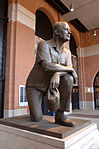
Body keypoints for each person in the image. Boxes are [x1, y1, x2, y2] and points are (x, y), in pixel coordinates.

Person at [26, 21, 77, 127]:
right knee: (37, 118)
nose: (69, 32)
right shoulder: (44, 45)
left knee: (68, 79)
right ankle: (34, 111)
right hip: (36, 85)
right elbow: (47, 66)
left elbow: (68, 71)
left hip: (53, 85)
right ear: (57, 32)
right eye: (66, 29)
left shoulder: (67, 52)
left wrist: (58, 73)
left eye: (69, 30)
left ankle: (60, 115)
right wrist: (71, 70)